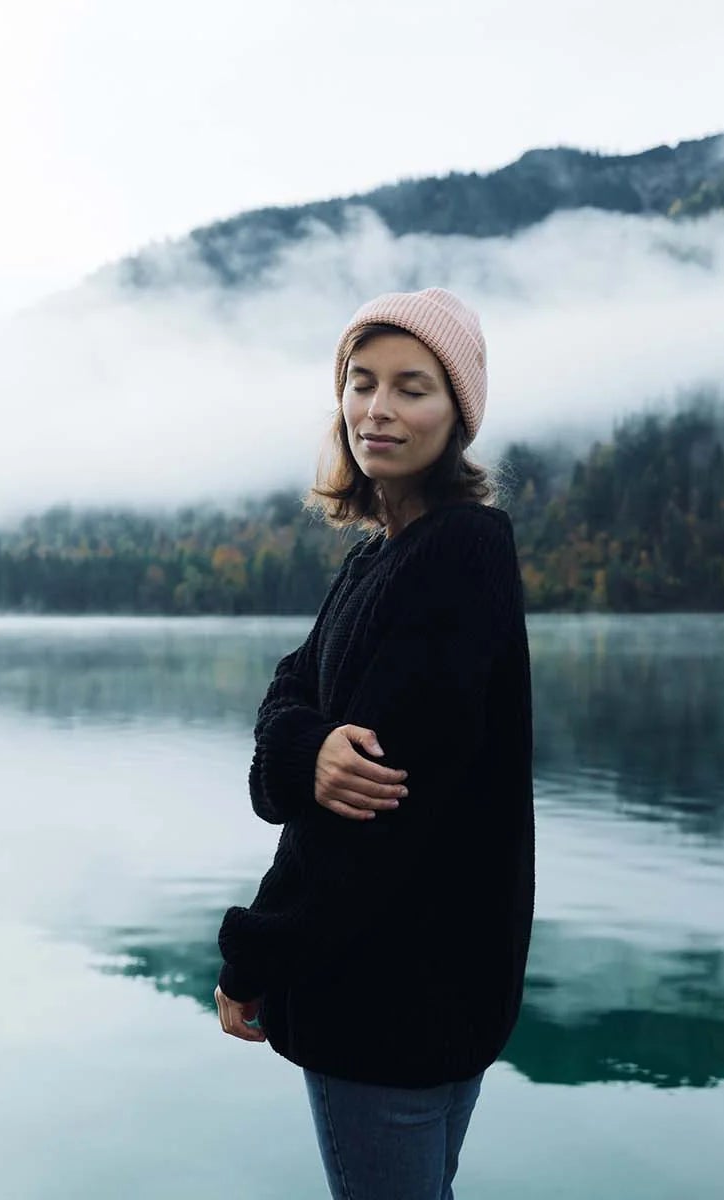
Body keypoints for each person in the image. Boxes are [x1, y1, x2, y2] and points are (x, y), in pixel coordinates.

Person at [214, 287, 535, 1199]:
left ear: (458, 413)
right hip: (430, 990)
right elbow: (289, 696)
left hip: (394, 993)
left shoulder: (456, 554)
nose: (378, 409)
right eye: (361, 383)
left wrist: (251, 958)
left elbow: (369, 813)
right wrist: (302, 750)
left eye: (413, 387)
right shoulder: (381, 556)